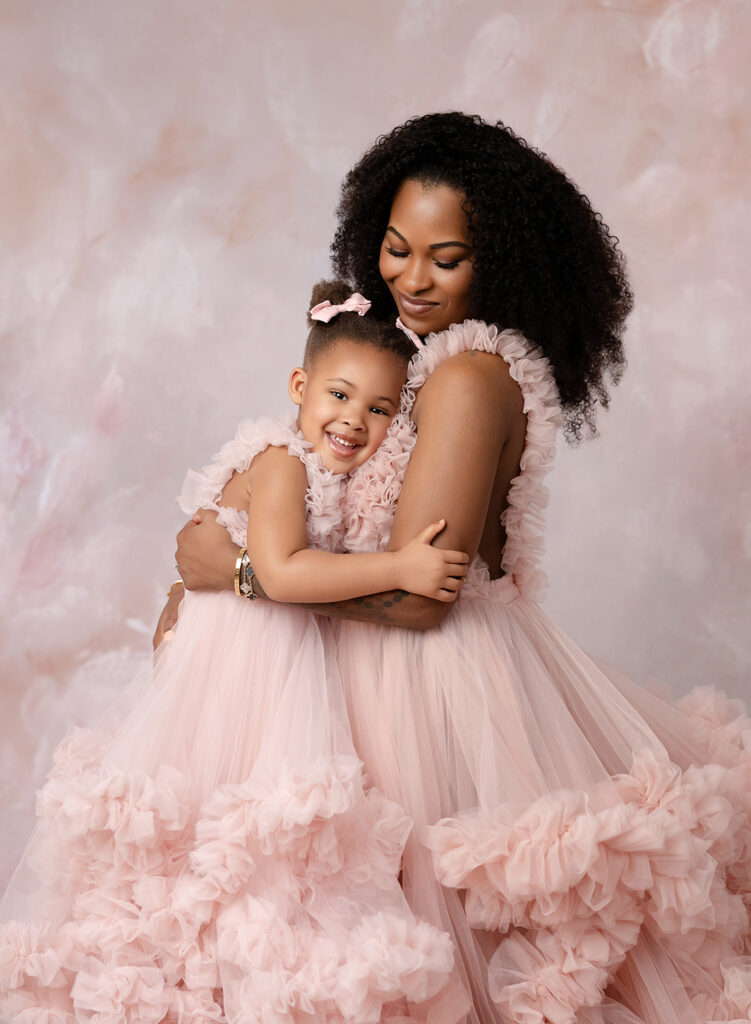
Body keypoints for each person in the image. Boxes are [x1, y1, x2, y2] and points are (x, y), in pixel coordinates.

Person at [166, 113, 751, 1024]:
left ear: (501, 261)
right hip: (347, 676)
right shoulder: (404, 362)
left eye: (447, 257)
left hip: (430, 689)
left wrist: (241, 572)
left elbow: (413, 591)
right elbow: (324, 491)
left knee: (428, 946)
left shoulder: (468, 376)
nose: (411, 277)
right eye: (396, 249)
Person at [0, 280, 473, 1023]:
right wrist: (400, 568)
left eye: (379, 410)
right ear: (299, 386)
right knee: (238, 830)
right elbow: (282, 571)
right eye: (340, 396)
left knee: (252, 847)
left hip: (255, 662)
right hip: (244, 670)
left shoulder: (313, 466)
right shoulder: (282, 461)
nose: (354, 421)